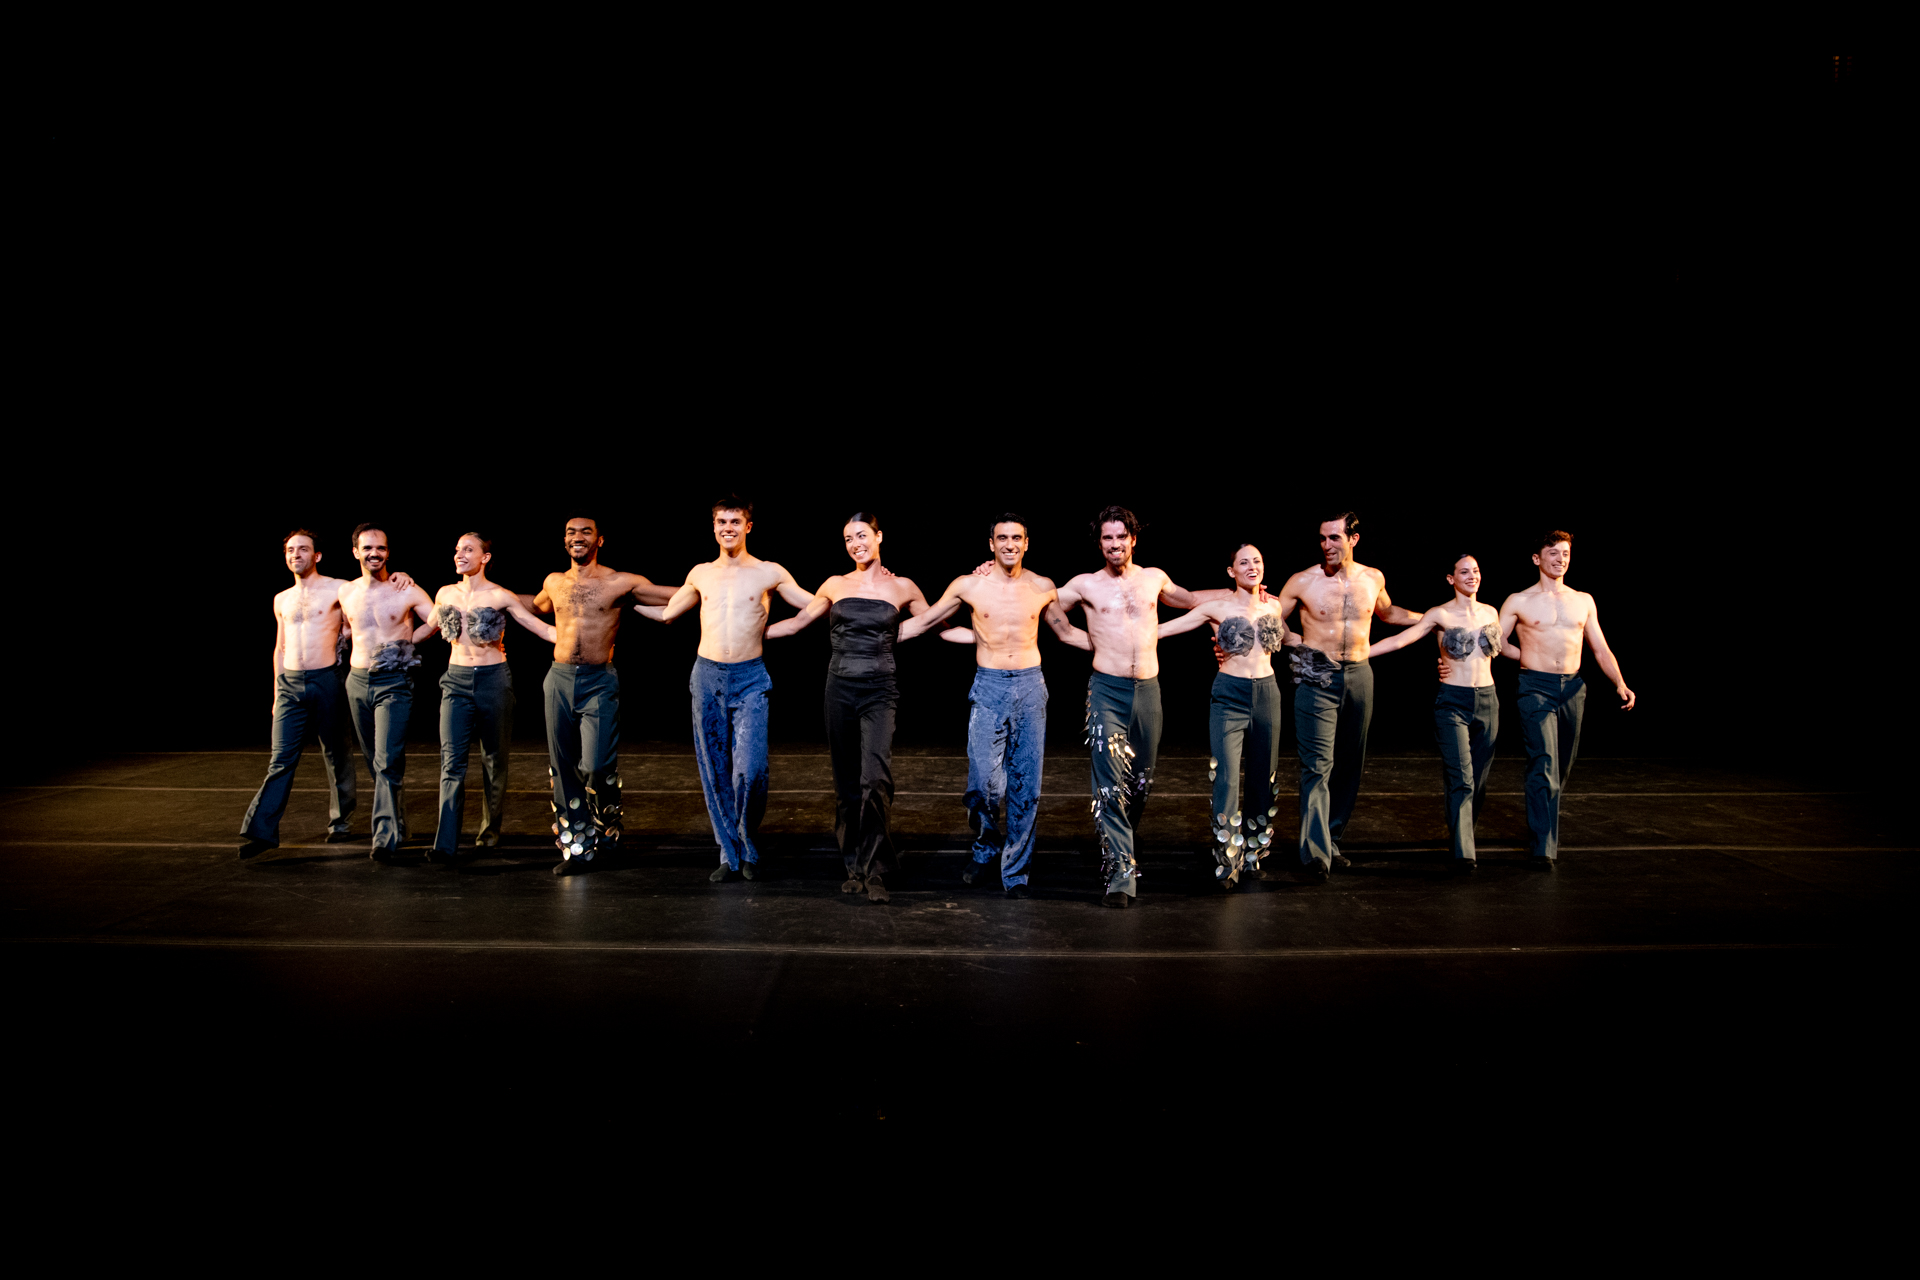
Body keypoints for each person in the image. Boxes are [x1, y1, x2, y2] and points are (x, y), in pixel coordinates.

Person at [637, 496, 814, 883]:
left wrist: (785, 628)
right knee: (714, 769)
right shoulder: (700, 573)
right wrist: (617, 601)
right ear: (713, 527)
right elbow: (668, 613)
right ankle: (729, 853)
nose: (727, 528)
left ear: (748, 527)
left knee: (750, 770)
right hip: (707, 677)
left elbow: (814, 605)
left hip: (751, 677)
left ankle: (748, 844)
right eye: (721, 521)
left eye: (735, 521)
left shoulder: (769, 572)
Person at [765, 512, 937, 904]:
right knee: (846, 784)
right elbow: (796, 623)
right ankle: (854, 865)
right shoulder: (834, 584)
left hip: (880, 690)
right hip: (839, 687)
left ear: (879, 536)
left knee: (875, 779)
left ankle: (876, 868)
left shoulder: (903, 586)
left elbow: (931, 620)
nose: (855, 543)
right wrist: (742, 632)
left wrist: (899, 634)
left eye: (862, 535)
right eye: (847, 538)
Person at [1046, 506, 1214, 908]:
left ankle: (1120, 839)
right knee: (1109, 784)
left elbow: (1190, 599)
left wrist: (1241, 592)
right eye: (1107, 538)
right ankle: (1121, 872)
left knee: (1141, 780)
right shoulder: (1085, 584)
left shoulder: (1154, 577)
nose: (1115, 544)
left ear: (1133, 539)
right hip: (1106, 692)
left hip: (1148, 692)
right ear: (1099, 543)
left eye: (1122, 536)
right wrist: (1079, 639)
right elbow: (1041, 602)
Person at [901, 513, 1072, 900]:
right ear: (990, 544)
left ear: (1027, 543)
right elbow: (926, 620)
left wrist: (1125, 645)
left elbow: (1066, 632)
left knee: (1026, 784)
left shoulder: (1043, 586)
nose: (1009, 544)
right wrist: (870, 638)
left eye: (1017, 538)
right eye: (1002, 538)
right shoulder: (969, 585)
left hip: (1030, 685)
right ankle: (986, 846)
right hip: (989, 687)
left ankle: (1015, 871)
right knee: (983, 784)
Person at [1267, 512, 1424, 883]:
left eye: (1335, 538)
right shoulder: (1303, 580)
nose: (1327, 546)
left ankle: (1331, 838)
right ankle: (1315, 852)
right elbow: (1270, 616)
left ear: (1353, 539)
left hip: (1359, 673)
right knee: (1317, 764)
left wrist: (1430, 618)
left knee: (1350, 762)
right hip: (1317, 676)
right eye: (1322, 539)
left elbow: (1388, 612)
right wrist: (1292, 640)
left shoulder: (1373, 578)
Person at [1468, 531, 1635, 869]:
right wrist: (1526, 657)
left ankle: (1541, 824)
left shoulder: (1583, 600)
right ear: (1536, 558)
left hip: (1573, 689)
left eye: (1567, 553)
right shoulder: (1519, 600)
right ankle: (1544, 846)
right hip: (1535, 687)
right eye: (1554, 553)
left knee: (1561, 766)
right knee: (1544, 762)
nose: (1561, 559)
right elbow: (1494, 642)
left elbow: (1599, 647)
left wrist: (1619, 681)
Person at [533, 516, 675, 876]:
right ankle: (577, 849)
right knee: (562, 769)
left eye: (585, 532)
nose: (577, 537)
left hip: (599, 681)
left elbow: (674, 595)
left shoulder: (620, 582)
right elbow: (535, 607)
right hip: (559, 679)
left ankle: (608, 828)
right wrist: (492, 598)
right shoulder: (553, 582)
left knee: (596, 766)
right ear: (564, 540)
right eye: (570, 532)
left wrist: (717, 589)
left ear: (599, 540)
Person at [238, 529, 385, 858]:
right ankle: (260, 832)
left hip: (327, 679)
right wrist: (278, 691)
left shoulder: (338, 588)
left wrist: (398, 578)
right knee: (280, 760)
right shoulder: (281, 599)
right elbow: (279, 648)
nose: (295, 555)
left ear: (316, 556)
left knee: (337, 753)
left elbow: (366, 602)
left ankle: (341, 821)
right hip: (290, 684)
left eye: (303, 550)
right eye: (290, 550)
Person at [1157, 542, 1294, 890]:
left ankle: (1254, 853)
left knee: (1264, 776)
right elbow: (1174, 625)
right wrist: (1135, 636)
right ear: (1231, 572)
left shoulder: (1275, 605)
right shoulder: (1216, 606)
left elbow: (1290, 638)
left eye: (1258, 561)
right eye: (1243, 562)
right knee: (1227, 778)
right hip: (1229, 695)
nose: (1252, 566)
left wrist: (1326, 647)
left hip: (1267, 693)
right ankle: (1226, 861)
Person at [419, 532, 557, 866]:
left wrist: (577, 639)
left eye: (468, 550)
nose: (459, 555)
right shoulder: (445, 593)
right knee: (452, 763)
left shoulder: (500, 595)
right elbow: (427, 626)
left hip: (494, 681)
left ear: (485, 557)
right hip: (455, 682)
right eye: (456, 550)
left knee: (494, 760)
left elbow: (539, 627)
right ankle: (445, 844)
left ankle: (488, 834)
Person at [1364, 553, 1502, 872]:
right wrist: (1361, 652)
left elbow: (1504, 646)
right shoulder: (1440, 613)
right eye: (1464, 572)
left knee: (1478, 781)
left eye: (1476, 571)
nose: (1472, 576)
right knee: (1462, 777)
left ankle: (1461, 830)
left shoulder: (1491, 612)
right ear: (1451, 579)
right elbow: (1402, 639)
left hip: (1488, 700)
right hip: (1453, 701)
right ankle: (1464, 851)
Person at [338, 524, 438, 861]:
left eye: (380, 548)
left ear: (388, 552)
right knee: (374, 761)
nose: (374, 554)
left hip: (394, 682)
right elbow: (347, 628)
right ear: (356, 552)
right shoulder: (346, 592)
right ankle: (397, 822)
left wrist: (410, 639)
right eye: (367, 548)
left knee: (386, 760)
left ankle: (384, 839)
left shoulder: (405, 589)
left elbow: (437, 618)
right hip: (357, 681)